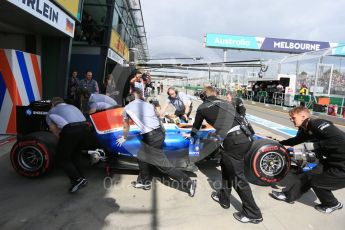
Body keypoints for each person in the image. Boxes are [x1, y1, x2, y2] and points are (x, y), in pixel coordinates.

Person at [190, 86, 262, 224]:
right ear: (216, 94)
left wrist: (192, 137)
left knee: (238, 178)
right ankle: (224, 198)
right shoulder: (226, 104)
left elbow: (196, 127)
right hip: (245, 138)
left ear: (203, 96)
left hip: (234, 142)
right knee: (226, 168)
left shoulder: (203, 107)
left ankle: (253, 213)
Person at [116, 89, 196, 196]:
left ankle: (188, 182)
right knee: (141, 156)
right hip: (159, 132)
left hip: (152, 137)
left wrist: (124, 137)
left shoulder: (127, 108)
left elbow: (126, 125)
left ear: (129, 99)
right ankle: (144, 181)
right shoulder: (149, 105)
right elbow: (157, 116)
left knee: (163, 166)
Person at [270, 106, 345, 214]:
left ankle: (332, 204)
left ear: (303, 116)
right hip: (335, 160)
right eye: (290, 118)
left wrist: (312, 146)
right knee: (311, 173)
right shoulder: (306, 128)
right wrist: (279, 143)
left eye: (293, 117)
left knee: (316, 182)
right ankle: (288, 196)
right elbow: (296, 140)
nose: (291, 120)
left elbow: (339, 139)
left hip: (343, 166)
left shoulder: (317, 124)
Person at [46, 97, 92, 193]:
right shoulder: (72, 107)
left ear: (53, 104)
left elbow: (53, 129)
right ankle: (81, 178)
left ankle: (77, 180)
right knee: (75, 156)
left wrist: (62, 141)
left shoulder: (51, 111)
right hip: (86, 128)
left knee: (61, 158)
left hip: (72, 130)